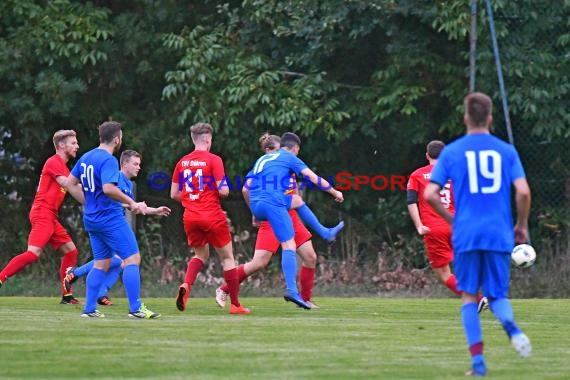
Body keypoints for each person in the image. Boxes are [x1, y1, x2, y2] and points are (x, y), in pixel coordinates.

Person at [424, 92, 532, 376]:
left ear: (465, 118)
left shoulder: (452, 152)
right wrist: (521, 224)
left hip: (467, 233)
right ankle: (512, 328)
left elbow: (430, 194)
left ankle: (478, 364)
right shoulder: (506, 151)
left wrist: (453, 219)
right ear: (490, 118)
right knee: (497, 296)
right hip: (498, 232)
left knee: (469, 297)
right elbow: (522, 191)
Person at [215, 132, 320, 309]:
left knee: (310, 257)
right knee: (259, 263)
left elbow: (295, 192)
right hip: (272, 218)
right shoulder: (261, 168)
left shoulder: (286, 162)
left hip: (290, 216)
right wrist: (255, 214)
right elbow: (246, 190)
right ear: (268, 151)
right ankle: (224, 289)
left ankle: (304, 299)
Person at [68, 121, 160, 318]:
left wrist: (89, 202)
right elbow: (109, 188)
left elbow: (70, 183)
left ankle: (89, 309)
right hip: (109, 218)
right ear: (117, 139)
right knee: (132, 258)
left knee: (102, 263)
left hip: (91, 219)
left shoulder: (85, 157)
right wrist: (132, 203)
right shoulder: (108, 160)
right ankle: (136, 309)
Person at [245, 133, 344, 310]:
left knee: (297, 201)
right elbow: (313, 178)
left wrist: (255, 212)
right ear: (295, 148)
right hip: (273, 203)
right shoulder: (289, 157)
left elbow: (247, 188)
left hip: (257, 204)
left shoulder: (263, 159)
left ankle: (324, 232)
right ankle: (291, 290)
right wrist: (335, 192)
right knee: (288, 244)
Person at [63, 150, 170, 306]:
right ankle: (77, 274)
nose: (139, 167)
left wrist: (155, 211)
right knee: (118, 260)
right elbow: (107, 197)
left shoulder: (127, 183)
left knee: (115, 262)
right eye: (135, 164)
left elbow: (131, 207)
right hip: (107, 222)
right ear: (124, 164)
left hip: (111, 222)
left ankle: (98, 295)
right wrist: (129, 204)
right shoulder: (116, 178)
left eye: (139, 164)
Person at [171, 122, 250, 315]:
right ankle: (235, 305)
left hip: (190, 216)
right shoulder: (214, 160)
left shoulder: (182, 162)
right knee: (228, 258)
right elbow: (223, 191)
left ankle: (186, 285)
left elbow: (174, 194)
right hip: (211, 215)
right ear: (208, 139)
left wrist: (192, 197)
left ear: (193, 139)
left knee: (200, 255)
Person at [0, 130, 85, 304]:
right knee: (33, 254)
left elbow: (72, 184)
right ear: (61, 145)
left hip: (50, 216)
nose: (77, 146)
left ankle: (67, 296)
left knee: (71, 251)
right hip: (42, 212)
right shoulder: (54, 162)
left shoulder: (64, 166)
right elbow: (66, 183)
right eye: (73, 143)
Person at [407, 140, 488, 312]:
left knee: (445, 275)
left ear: (427, 155)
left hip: (434, 229)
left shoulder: (417, 175)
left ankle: (478, 299)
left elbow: (411, 201)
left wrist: (419, 225)